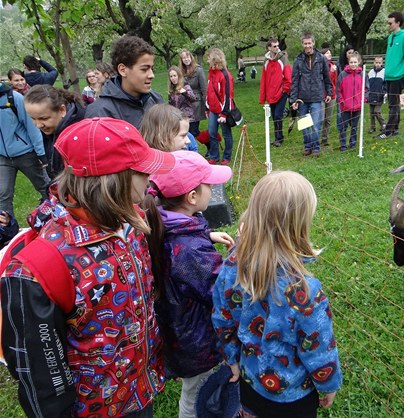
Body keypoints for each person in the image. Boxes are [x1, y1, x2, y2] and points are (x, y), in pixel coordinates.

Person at [0, 117, 175, 417]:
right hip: (93, 408)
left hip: (138, 387)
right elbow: (40, 369)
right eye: (141, 170)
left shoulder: (130, 221)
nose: (150, 176)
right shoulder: (40, 267)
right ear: (115, 180)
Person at [212, 170, 343, 418]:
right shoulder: (304, 291)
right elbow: (318, 346)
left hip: (249, 384)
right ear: (298, 226)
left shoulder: (232, 264)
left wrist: (231, 359)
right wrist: (328, 385)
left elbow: (222, 317)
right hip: (293, 398)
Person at [143, 150, 234, 418]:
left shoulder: (162, 222)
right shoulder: (189, 250)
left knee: (194, 389)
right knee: (197, 396)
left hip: (179, 330)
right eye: (209, 184)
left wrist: (206, 234)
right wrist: (242, 254)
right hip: (197, 342)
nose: (213, 188)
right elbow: (222, 289)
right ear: (192, 197)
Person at [85, 35, 163, 128]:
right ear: (122, 70)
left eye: (152, 68)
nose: (151, 75)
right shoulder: (100, 113)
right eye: (144, 69)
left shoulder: (156, 100)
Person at [0, 82, 49, 217]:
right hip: (3, 157)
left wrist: (41, 153)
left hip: (25, 154)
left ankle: (57, 218)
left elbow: (32, 127)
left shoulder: (14, 98)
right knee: (3, 194)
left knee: (45, 187)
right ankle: (6, 231)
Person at [24, 85, 86, 178]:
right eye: (33, 118)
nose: (38, 125)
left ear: (62, 110)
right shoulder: (52, 128)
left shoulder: (80, 134)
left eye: (43, 118)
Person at [290, 32, 333, 157]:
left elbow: (326, 77)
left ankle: (316, 147)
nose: (307, 46)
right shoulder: (298, 60)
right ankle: (307, 145)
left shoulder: (321, 59)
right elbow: (295, 81)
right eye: (305, 43)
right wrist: (293, 99)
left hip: (317, 96)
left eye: (309, 43)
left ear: (313, 43)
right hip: (302, 98)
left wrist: (328, 92)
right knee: (304, 125)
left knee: (315, 125)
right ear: (302, 44)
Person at [377, 11, 404, 139]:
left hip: (398, 76)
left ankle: (389, 130)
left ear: (398, 23)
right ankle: (395, 128)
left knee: (393, 104)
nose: (388, 25)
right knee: (393, 103)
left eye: (390, 23)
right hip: (389, 75)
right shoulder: (390, 37)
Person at [259, 37, 292, 147]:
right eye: (274, 46)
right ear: (269, 48)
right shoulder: (266, 61)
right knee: (274, 116)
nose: (277, 48)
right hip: (271, 93)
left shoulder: (283, 59)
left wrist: (284, 90)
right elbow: (264, 79)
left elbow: (288, 76)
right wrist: (263, 96)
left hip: (281, 92)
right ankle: (278, 136)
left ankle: (279, 138)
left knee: (278, 115)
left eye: (277, 45)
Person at [205, 47, 235, 166]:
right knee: (212, 132)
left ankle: (227, 156)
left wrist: (224, 114)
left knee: (226, 134)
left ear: (214, 59)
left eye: (208, 58)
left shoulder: (225, 75)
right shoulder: (211, 73)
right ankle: (214, 156)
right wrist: (207, 107)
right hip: (213, 109)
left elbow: (228, 95)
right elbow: (209, 91)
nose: (207, 60)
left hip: (223, 111)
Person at [337, 52, 365, 152]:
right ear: (348, 62)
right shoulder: (342, 75)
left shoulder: (362, 75)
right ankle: (343, 145)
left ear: (359, 62)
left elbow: (366, 89)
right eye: (351, 62)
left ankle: (353, 144)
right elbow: (338, 90)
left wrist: (363, 99)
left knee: (354, 127)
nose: (353, 64)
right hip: (345, 107)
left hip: (357, 106)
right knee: (343, 127)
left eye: (355, 62)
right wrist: (341, 101)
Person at [179, 49, 207, 138]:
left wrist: (206, 105)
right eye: (183, 58)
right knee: (187, 130)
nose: (186, 59)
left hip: (196, 104)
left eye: (187, 57)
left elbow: (204, 88)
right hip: (185, 105)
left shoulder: (198, 70)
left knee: (193, 131)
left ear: (191, 57)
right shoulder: (181, 71)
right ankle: (206, 142)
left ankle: (207, 142)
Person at [320, 47, 338, 147]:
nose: (329, 54)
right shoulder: (319, 66)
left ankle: (325, 138)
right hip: (321, 95)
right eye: (327, 53)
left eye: (330, 53)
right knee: (320, 117)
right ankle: (315, 137)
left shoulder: (333, 66)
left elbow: (334, 82)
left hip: (331, 95)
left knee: (328, 118)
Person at [367, 56, 386, 134]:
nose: (377, 64)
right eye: (376, 62)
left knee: (376, 111)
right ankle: (373, 127)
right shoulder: (370, 72)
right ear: (374, 62)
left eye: (379, 63)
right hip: (371, 95)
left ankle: (383, 124)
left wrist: (385, 92)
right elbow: (367, 84)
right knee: (372, 112)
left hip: (380, 96)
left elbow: (386, 84)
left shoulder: (384, 72)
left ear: (382, 63)